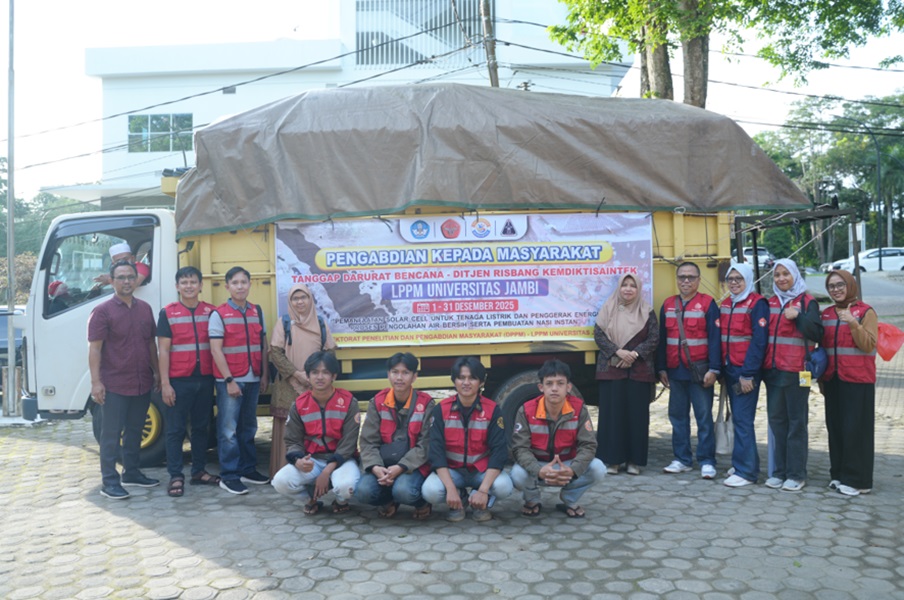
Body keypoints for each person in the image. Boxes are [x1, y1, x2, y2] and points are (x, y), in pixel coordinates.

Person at [87, 259, 160, 499]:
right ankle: (109, 481)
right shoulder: (102, 312)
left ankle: (132, 472)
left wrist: (157, 371)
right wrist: (96, 382)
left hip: (141, 381)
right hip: (115, 383)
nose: (127, 281)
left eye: (130, 277)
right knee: (111, 434)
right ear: (113, 281)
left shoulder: (145, 309)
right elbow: (95, 348)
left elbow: (150, 343)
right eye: (121, 277)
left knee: (135, 430)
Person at [421, 356, 513, 522]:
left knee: (503, 486)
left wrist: (483, 490)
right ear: (454, 381)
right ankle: (460, 497)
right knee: (430, 491)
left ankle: (480, 501)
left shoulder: (492, 410)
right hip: (453, 471)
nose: (466, 382)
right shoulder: (441, 409)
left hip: (480, 471)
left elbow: (499, 452)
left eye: (472, 378)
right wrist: (450, 489)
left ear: (481, 382)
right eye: (461, 378)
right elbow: (436, 452)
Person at [511, 360, 606, 518]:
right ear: (541, 387)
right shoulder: (526, 410)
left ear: (568, 387)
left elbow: (588, 445)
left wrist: (573, 470)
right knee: (517, 474)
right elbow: (519, 448)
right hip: (539, 465)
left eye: (560, 383)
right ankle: (532, 500)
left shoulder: (579, 408)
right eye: (549, 383)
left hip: (567, 465)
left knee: (598, 469)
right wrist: (539, 470)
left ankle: (569, 498)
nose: (554, 388)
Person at [271, 351, 361, 514]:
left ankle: (340, 501)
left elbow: (349, 443)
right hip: (312, 460)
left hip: (342, 460)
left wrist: (327, 471)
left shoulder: (348, 402)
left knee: (345, 486)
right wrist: (298, 460)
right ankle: (311, 498)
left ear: (334, 376)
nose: (320, 377)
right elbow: (292, 440)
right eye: (315, 372)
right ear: (308, 375)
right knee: (280, 482)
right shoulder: (299, 404)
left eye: (325, 372)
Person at [762, 259, 823, 493]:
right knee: (777, 422)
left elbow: (818, 333)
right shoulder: (770, 302)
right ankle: (779, 472)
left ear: (795, 275)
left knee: (796, 423)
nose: (781, 278)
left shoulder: (808, 302)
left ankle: (796, 474)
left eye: (786, 274)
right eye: (777, 275)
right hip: (774, 371)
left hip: (799, 372)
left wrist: (797, 317)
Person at [157, 266, 219, 497]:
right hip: (178, 381)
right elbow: (163, 350)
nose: (189, 286)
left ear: (201, 285)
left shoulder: (211, 312)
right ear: (177, 287)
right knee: (175, 430)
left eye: (193, 282)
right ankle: (175, 475)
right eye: (184, 283)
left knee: (202, 428)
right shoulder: (168, 313)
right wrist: (165, 383)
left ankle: (199, 471)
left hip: (204, 380)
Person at [657, 262, 721, 480]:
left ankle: (707, 461)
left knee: (703, 418)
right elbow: (662, 341)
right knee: (677, 418)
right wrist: (661, 368)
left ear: (699, 280)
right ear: (677, 279)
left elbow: (715, 339)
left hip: (700, 373)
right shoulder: (667, 305)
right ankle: (682, 459)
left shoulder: (708, 304)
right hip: (675, 372)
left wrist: (714, 369)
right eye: (682, 277)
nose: (686, 281)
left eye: (691, 277)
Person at [209, 266, 270, 495]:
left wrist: (264, 374)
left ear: (250, 284)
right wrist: (229, 380)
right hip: (231, 380)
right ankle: (229, 475)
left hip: (253, 377)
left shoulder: (256, 311)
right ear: (227, 286)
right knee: (228, 430)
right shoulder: (219, 314)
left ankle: (247, 469)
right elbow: (216, 350)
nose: (240, 286)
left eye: (244, 282)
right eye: (235, 282)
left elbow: (262, 346)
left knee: (249, 427)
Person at [593, 273, 659, 476]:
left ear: (639, 289)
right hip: (612, 370)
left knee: (637, 418)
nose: (628, 289)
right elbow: (598, 334)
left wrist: (635, 354)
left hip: (638, 372)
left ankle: (633, 462)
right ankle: (612, 461)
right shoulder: (608, 308)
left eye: (633, 286)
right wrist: (617, 352)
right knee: (613, 418)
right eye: (625, 285)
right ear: (619, 288)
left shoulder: (647, 311)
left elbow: (654, 337)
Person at [268, 283, 336, 478]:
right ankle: (283, 472)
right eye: (295, 299)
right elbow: (276, 353)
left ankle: (311, 473)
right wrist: (296, 374)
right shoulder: (284, 323)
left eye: (303, 297)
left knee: (313, 424)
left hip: (317, 386)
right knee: (289, 425)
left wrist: (318, 375)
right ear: (290, 302)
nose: (299, 302)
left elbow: (329, 352)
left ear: (310, 300)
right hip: (288, 383)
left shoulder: (321, 323)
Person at [356, 352, 435, 520]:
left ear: (414, 377)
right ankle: (389, 501)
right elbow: (368, 442)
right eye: (395, 372)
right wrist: (376, 468)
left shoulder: (426, 403)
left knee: (404, 491)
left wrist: (401, 467)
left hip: (412, 467)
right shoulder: (377, 402)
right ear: (388, 375)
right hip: (383, 466)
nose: (399, 378)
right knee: (362, 491)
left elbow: (425, 445)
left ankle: (422, 503)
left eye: (405, 373)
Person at [820, 270, 878, 497]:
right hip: (833, 380)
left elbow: (868, 344)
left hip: (858, 380)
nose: (836, 289)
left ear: (850, 286)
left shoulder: (865, 312)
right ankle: (839, 474)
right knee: (836, 428)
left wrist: (854, 323)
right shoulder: (826, 314)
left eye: (840, 285)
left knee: (857, 431)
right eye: (831, 286)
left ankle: (859, 480)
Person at [719, 262, 769, 488]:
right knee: (738, 418)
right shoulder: (727, 303)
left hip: (745, 372)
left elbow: (759, 342)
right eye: (731, 279)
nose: (735, 283)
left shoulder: (757, 304)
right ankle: (741, 463)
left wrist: (748, 374)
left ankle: (747, 471)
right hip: (730, 370)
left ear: (748, 279)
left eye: (739, 279)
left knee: (743, 420)